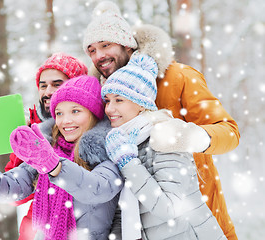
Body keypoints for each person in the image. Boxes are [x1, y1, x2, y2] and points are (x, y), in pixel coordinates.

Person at [83, 2, 240, 239]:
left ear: (127, 45)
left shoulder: (177, 77)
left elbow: (229, 133)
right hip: (142, 224)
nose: (99, 56)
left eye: (106, 45)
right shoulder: (103, 94)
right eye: (92, 50)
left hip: (196, 214)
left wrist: (191, 137)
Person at [0, 75, 123, 240]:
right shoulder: (46, 149)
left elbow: (98, 189)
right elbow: (8, 189)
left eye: (75, 111)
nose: (65, 120)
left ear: (94, 114)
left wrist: (54, 165)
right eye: (59, 113)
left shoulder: (107, 151)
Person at [102, 53, 227, 239]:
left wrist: (128, 162)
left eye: (119, 100)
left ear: (141, 104)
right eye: (107, 100)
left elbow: (169, 207)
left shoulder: (164, 137)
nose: (109, 109)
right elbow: (126, 209)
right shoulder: (122, 143)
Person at [4, 52, 88, 239]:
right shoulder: (35, 127)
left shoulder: (89, 133)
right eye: (43, 86)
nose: (48, 91)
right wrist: (24, 143)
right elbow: (15, 195)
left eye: (57, 84)